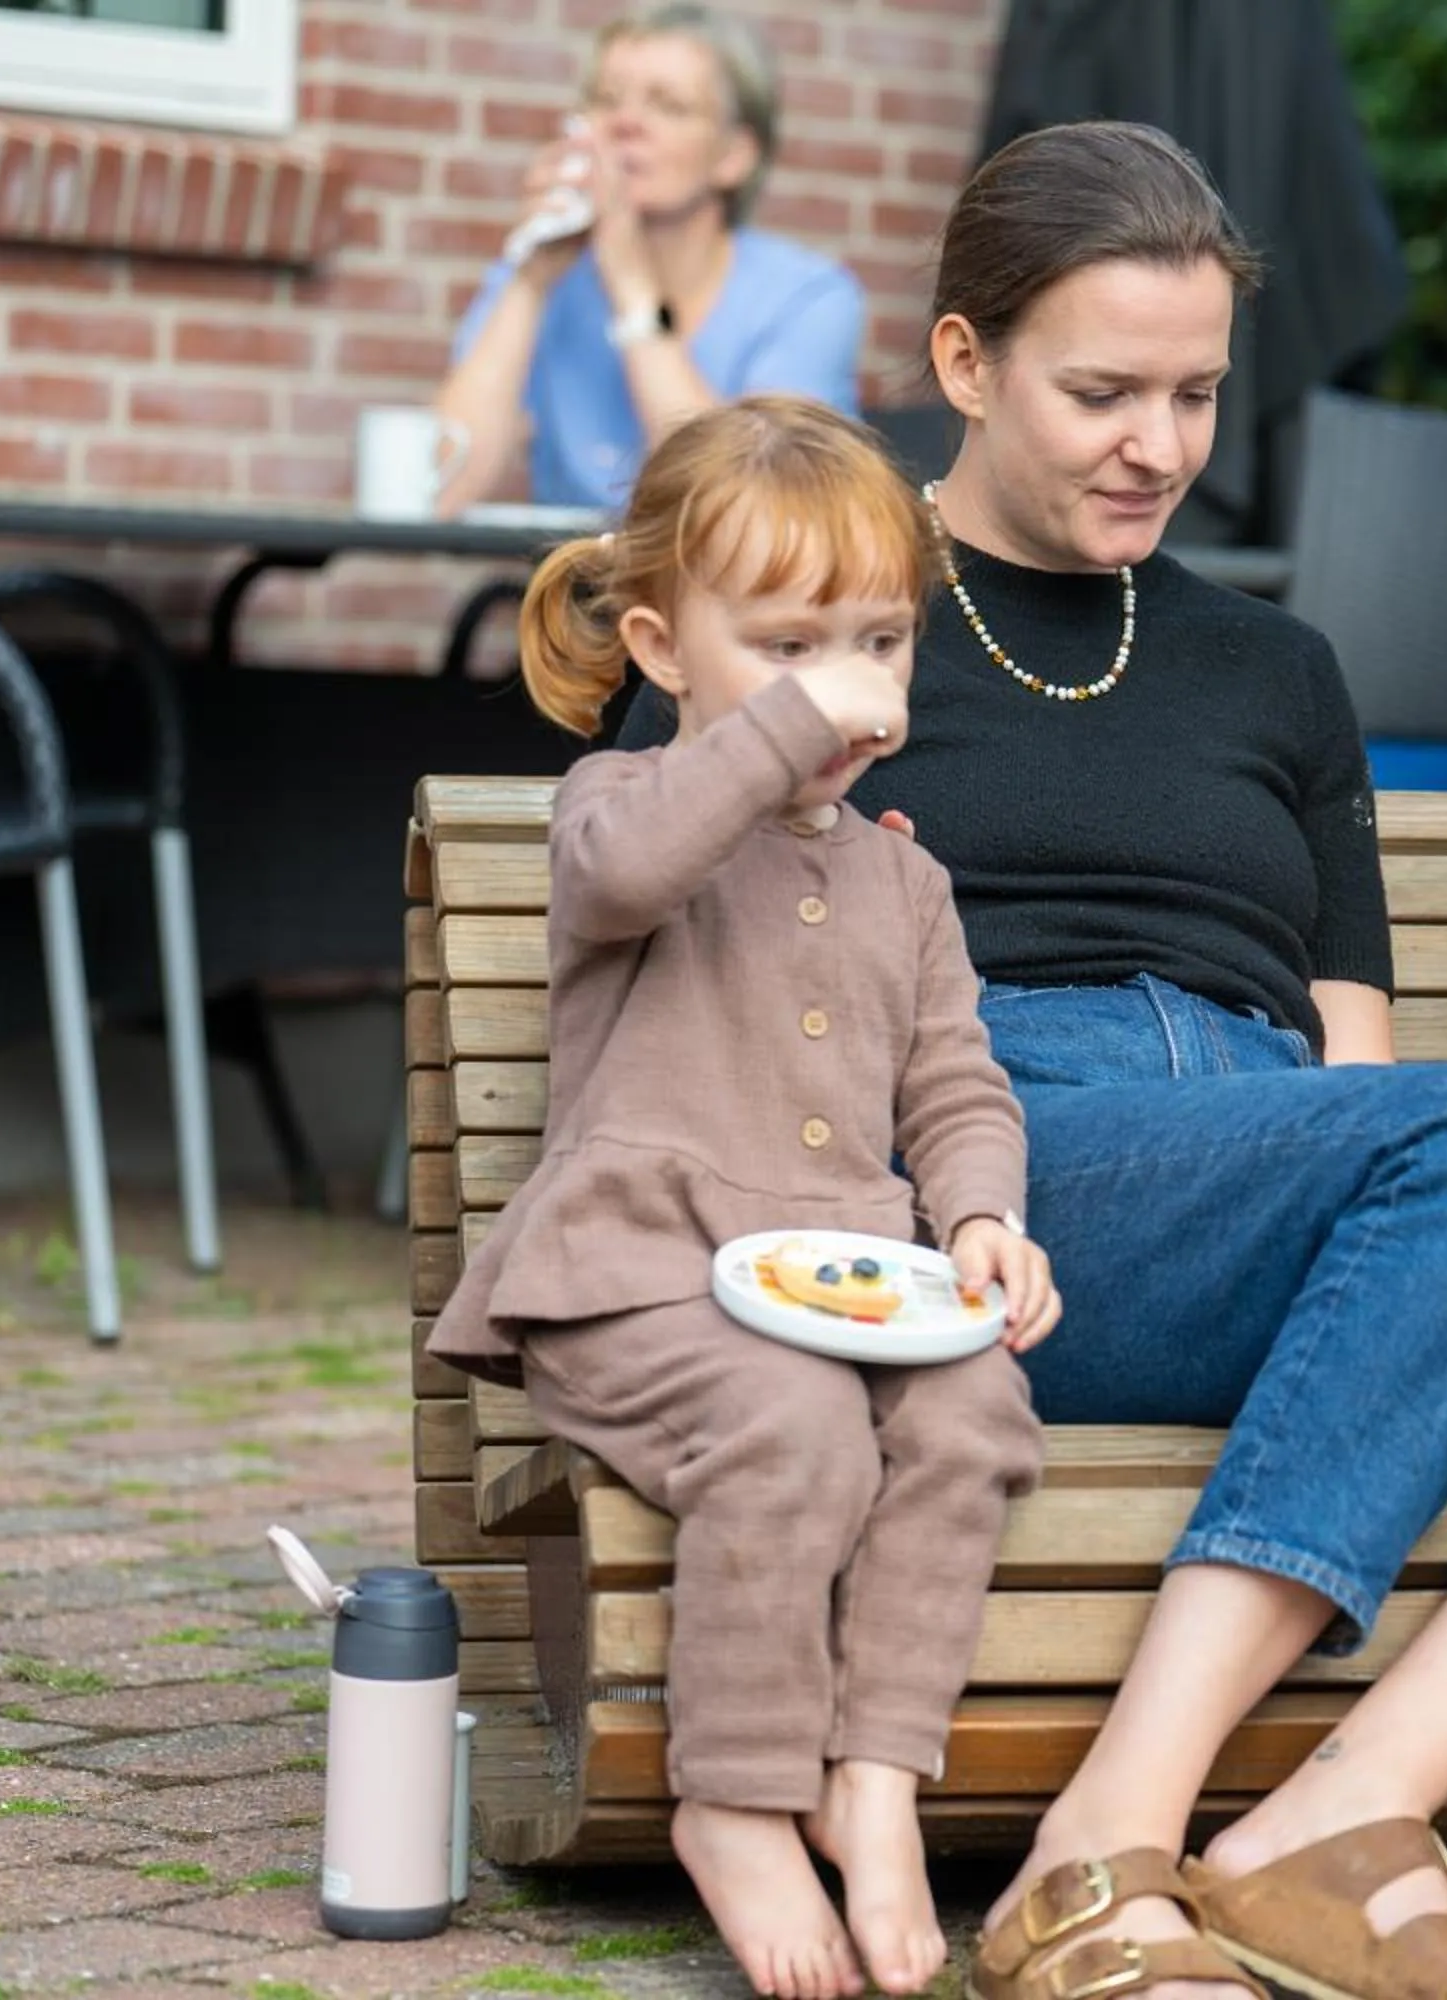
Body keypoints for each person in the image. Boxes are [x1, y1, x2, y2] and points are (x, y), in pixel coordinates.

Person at [621, 122, 1447, 2000]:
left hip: (1294, 1173)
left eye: (1195, 394)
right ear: (965, 364)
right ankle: (1104, 1842)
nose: (1158, 446)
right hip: (1006, 1181)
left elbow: (1355, 1048)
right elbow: (669, 894)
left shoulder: (1278, 670)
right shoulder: (828, 612)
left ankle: (1339, 1813)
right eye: (1101, 394)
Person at [429, 397, 1058, 2000]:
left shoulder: (905, 880)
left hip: (840, 1286)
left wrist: (982, 1218)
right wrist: (785, 726)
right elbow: (633, 870)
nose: (843, 685)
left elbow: (955, 1083)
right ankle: (737, 1799)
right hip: (632, 1284)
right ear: (661, 647)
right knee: (792, 1430)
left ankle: (877, 1778)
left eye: (879, 642)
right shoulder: (620, 808)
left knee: (976, 1411)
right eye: (786, 646)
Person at [433, 4, 864, 513]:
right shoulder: (537, 275)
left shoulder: (809, 299)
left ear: (734, 157)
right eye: (606, 99)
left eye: (669, 106)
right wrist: (529, 281)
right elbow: (442, 488)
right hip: (575, 568)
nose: (625, 123)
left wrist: (633, 287)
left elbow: (743, 510)